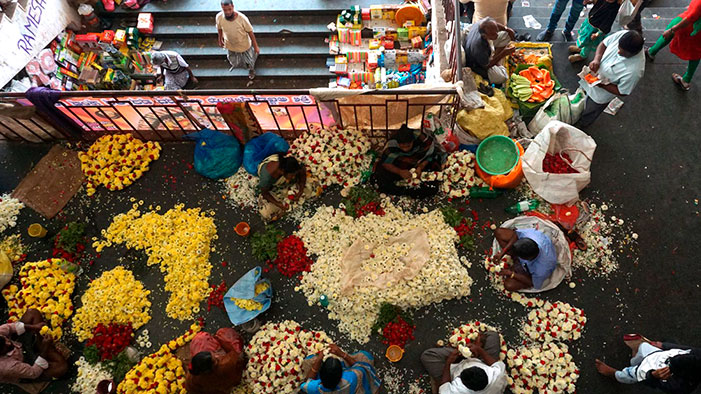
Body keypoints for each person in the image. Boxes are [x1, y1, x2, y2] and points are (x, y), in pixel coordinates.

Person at [576, 30, 645, 127]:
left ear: (633, 54)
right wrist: (597, 59)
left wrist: (602, 85)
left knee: (589, 111)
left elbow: (622, 91)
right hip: (591, 78)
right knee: (579, 98)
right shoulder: (623, 35)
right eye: (619, 48)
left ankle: (581, 124)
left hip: (599, 96)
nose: (618, 52)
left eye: (623, 52)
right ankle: (574, 114)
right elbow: (603, 44)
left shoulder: (635, 71)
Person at [595, 334, 701, 393]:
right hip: (659, 355)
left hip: (649, 370)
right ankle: (634, 360)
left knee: (629, 374)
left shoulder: (681, 386)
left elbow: (652, 383)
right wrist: (663, 346)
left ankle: (614, 374)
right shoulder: (697, 356)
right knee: (643, 348)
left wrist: (653, 375)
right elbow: (686, 349)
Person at [421, 332, 508, 394]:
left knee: (428, 356)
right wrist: (479, 350)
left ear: (464, 384)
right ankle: (472, 354)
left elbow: (444, 386)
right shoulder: (497, 376)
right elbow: (495, 364)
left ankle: (459, 357)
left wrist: (449, 362)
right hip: (481, 361)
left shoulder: (455, 391)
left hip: (453, 370)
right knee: (492, 335)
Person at [372, 124, 445, 198]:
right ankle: (405, 191)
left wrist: (420, 167)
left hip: (419, 162)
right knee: (380, 176)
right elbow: (386, 163)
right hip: (401, 164)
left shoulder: (422, 139)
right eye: (402, 146)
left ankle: (414, 191)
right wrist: (400, 171)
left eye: (408, 146)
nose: (405, 149)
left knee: (434, 176)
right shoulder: (391, 145)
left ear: (412, 141)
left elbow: (430, 155)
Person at [0, 309, 68, 386]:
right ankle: (44, 348)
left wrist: (34, 327)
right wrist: (45, 348)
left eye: (4, 339)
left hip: (19, 343)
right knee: (61, 368)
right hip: (25, 364)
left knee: (32, 313)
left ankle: (40, 345)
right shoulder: (6, 367)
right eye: (5, 346)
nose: (8, 343)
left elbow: (10, 328)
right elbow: (34, 372)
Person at [645, 0, 701, 91]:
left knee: (668, 34)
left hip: (689, 26)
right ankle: (686, 80)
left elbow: (690, 18)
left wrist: (672, 30)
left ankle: (651, 52)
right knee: (697, 51)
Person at [493, 227, 557, 291]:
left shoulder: (541, 270)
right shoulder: (531, 235)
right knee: (499, 232)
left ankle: (517, 266)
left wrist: (512, 274)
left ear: (526, 259)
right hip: (526, 255)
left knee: (509, 285)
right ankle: (513, 256)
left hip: (528, 269)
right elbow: (516, 234)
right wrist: (503, 252)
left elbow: (532, 283)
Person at [183, 328, 245, 394]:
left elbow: (191, 390)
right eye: (215, 358)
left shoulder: (192, 378)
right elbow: (238, 359)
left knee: (200, 339)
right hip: (229, 381)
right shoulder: (226, 364)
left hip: (213, 387)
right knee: (225, 333)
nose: (215, 355)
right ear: (213, 365)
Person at [300, 344, 381, 394]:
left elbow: (307, 382)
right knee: (366, 356)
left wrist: (318, 361)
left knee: (310, 360)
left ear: (321, 375)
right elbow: (361, 367)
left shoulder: (314, 388)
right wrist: (342, 354)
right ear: (342, 373)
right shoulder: (352, 377)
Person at [257, 152, 311, 220]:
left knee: (309, 188)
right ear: (282, 171)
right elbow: (265, 193)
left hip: (282, 172)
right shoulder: (267, 178)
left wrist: (300, 190)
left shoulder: (288, 165)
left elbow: (302, 170)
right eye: (292, 175)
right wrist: (278, 204)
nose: (293, 177)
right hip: (270, 180)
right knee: (267, 213)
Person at [463, 17, 516, 85]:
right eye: (493, 34)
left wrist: (507, 29)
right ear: (485, 36)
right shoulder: (479, 47)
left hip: (485, 49)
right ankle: (496, 62)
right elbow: (486, 66)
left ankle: (494, 57)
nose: (497, 34)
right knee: (502, 77)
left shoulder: (483, 23)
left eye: (496, 31)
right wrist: (503, 54)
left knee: (506, 34)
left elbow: (496, 25)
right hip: (478, 65)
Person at [216, 0, 260, 80]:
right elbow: (219, 28)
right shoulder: (219, 17)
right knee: (232, 59)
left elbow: (250, 32)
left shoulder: (242, 18)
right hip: (230, 44)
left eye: (229, 9)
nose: (228, 12)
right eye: (225, 10)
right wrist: (220, 39)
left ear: (233, 7)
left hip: (244, 45)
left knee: (250, 61)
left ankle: (251, 70)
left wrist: (256, 46)